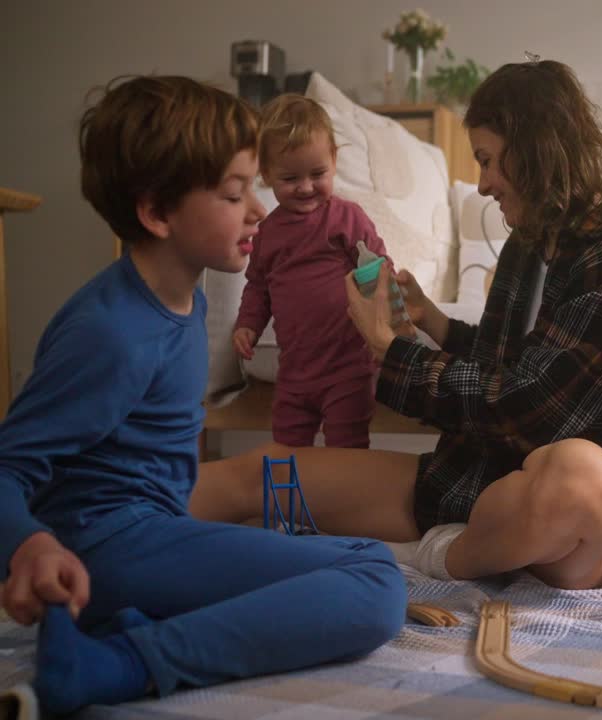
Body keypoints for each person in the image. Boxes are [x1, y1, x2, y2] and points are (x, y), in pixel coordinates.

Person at [0, 76, 407, 714]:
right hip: (108, 546)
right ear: (158, 213)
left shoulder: (181, 296)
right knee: (376, 582)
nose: (258, 212)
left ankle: (129, 626)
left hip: (150, 528)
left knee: (359, 556)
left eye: (254, 189)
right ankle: (116, 664)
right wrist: (31, 545)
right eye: (234, 193)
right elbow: (7, 468)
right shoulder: (110, 330)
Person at [192, 58, 602, 590]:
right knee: (260, 473)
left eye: (489, 161)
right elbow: (510, 365)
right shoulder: (528, 242)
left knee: (582, 474)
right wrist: (434, 321)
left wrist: (388, 349)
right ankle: (108, 523)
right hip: (466, 483)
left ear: (538, 152)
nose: (484, 183)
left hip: (560, 520)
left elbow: (532, 408)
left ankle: (439, 561)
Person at [233, 94, 401, 449]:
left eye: (318, 174)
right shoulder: (267, 233)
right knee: (287, 446)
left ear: (334, 162)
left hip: (348, 366)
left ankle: (343, 503)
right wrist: (248, 324)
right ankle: (294, 503)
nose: (306, 187)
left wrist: (385, 325)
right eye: (290, 177)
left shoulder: (346, 218)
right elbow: (258, 287)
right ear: (266, 175)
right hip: (294, 370)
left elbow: (378, 268)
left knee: (346, 447)